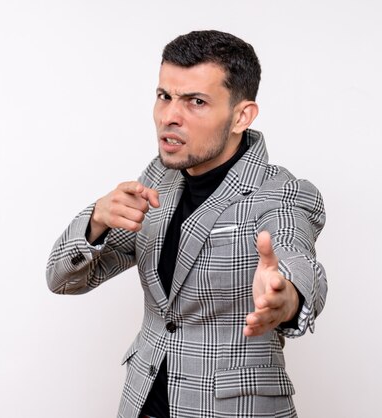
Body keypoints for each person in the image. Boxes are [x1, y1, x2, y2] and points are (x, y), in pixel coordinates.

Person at [46, 30, 327, 418]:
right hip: (143, 403)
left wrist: (287, 298)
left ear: (241, 115)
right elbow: (63, 280)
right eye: (164, 97)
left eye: (196, 101)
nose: (170, 117)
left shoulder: (280, 192)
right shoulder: (156, 181)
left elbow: (293, 253)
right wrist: (95, 220)